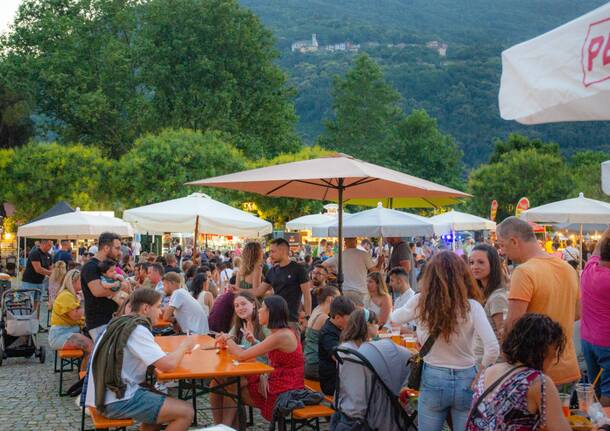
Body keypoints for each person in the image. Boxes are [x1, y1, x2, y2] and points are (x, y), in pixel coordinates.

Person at [390, 251, 499, 431]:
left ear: (430, 276)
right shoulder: (472, 306)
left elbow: (395, 317)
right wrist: (480, 374)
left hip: (434, 376)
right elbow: (493, 348)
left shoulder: (422, 302)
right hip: (467, 376)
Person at [85, 288, 195, 431]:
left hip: (102, 394)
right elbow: (167, 365)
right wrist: (184, 346)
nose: (161, 311)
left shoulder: (120, 323)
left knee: (160, 404)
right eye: (158, 306)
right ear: (145, 308)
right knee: (186, 412)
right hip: (115, 399)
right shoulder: (137, 329)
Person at [497, 217, 580, 388]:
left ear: (514, 241)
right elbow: (578, 313)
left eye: (502, 245)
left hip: (536, 372)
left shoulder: (524, 271)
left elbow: (514, 323)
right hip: (568, 367)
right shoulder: (568, 268)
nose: (502, 252)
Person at [466, 314, 571, 431]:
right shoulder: (538, 382)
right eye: (555, 350)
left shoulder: (490, 371)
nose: (555, 357)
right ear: (545, 350)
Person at [216, 295, 304, 422]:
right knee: (225, 383)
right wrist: (252, 341)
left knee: (230, 386)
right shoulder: (280, 332)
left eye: (262, 308)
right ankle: (226, 426)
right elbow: (268, 354)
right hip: (279, 378)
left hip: (286, 388)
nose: (259, 311)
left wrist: (227, 338)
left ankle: (226, 426)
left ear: (270, 312)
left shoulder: (281, 335)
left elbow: (241, 356)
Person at [210, 291, 269, 426]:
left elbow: (269, 352)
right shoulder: (239, 325)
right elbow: (229, 342)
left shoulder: (264, 324)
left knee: (230, 384)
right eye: (236, 306)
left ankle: (225, 426)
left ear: (254, 304)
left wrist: (253, 341)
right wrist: (223, 340)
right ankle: (218, 425)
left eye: (243, 304)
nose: (240, 308)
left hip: (260, 371)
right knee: (215, 382)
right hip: (243, 368)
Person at [580, 226, 610, 406]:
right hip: (607, 342)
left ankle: (595, 421)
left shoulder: (589, 269)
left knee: (595, 386)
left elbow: (599, 245)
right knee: (608, 390)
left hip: (587, 341)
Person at [250, 238, 312, 325]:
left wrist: (307, 317)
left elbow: (307, 295)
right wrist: (239, 290)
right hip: (274, 318)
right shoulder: (272, 271)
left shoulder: (299, 269)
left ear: (282, 251)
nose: (270, 255)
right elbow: (258, 292)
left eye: (273, 251)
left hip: (291, 320)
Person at [81, 232, 124, 342]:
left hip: (110, 319)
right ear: (106, 248)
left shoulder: (108, 265)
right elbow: (98, 291)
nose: (120, 252)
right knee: (106, 356)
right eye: (117, 248)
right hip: (98, 322)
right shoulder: (91, 267)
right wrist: (120, 287)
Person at [469, 244, 509, 363]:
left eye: (481, 262)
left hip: (491, 364)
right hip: (479, 360)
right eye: (471, 262)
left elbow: (503, 335)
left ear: (493, 264)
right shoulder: (481, 293)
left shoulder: (497, 297)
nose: (474, 267)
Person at [323, 237, 382, 306]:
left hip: (345, 291)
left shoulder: (339, 255)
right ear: (355, 241)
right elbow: (375, 272)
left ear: (345, 242)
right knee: (360, 315)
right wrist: (380, 262)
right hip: (361, 292)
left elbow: (322, 265)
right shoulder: (364, 254)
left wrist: (331, 272)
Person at [49, 269, 93, 356]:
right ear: (73, 281)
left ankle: (85, 368)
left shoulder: (72, 295)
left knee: (92, 345)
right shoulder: (66, 295)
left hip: (68, 332)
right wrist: (85, 301)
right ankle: (87, 369)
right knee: (91, 346)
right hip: (60, 335)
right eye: (81, 280)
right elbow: (75, 316)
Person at [319, 296, 356, 396]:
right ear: (338, 317)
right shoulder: (328, 333)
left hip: (342, 377)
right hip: (332, 383)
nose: (352, 322)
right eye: (349, 319)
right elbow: (339, 357)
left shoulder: (339, 327)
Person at [304, 286, 340, 380]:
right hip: (315, 366)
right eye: (338, 299)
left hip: (308, 362)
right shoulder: (324, 318)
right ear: (330, 299)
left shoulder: (316, 310)